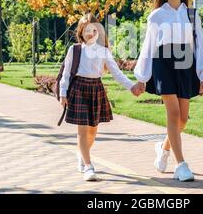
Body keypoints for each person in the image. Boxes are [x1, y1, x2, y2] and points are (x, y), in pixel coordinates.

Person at [134, 0, 203, 182]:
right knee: (173, 114)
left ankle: (164, 147)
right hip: (163, 64)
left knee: (183, 120)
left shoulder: (192, 15)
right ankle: (181, 165)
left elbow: (200, 46)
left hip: (185, 63)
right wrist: (142, 77)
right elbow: (147, 47)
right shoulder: (156, 16)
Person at [59, 13, 143, 181]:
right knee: (82, 131)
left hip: (96, 89)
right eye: (87, 30)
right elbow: (66, 73)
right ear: (81, 32)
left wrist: (132, 86)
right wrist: (63, 93)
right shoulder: (74, 50)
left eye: (94, 30)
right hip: (79, 89)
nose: (90, 33)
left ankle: (82, 154)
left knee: (92, 133)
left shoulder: (104, 51)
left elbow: (116, 73)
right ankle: (89, 166)